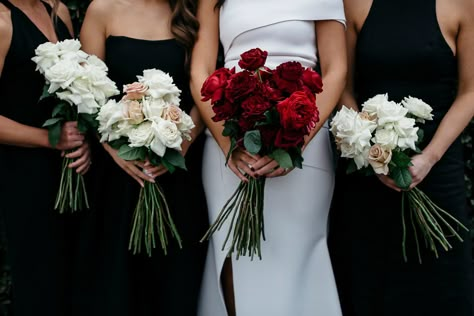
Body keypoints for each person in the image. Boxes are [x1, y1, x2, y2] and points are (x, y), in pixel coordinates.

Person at [190, 0, 347, 315]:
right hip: (231, 136)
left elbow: (336, 69)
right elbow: (199, 71)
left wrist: (296, 140)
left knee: (298, 258)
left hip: (305, 138)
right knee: (234, 258)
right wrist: (229, 143)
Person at [328, 0, 474, 315]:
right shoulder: (354, 4)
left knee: (443, 283)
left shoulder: (461, 4)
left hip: (438, 169)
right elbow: (343, 86)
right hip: (367, 173)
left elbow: (470, 91)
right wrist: (372, 151)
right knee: (370, 285)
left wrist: (430, 157)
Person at [80, 0, 208, 315]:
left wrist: (181, 146)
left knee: (175, 283)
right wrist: (114, 149)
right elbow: (87, 92)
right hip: (116, 173)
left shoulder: (191, 13)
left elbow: (203, 89)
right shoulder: (102, 10)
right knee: (117, 283)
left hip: (177, 170)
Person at [0, 0, 92, 315]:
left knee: (79, 284)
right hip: (28, 178)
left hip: (75, 173)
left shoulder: (57, 10)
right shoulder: (2, 22)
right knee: (42, 287)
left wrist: (83, 139)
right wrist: (50, 139)